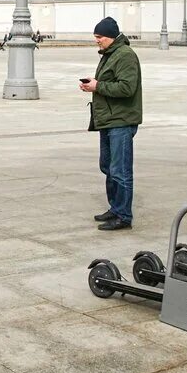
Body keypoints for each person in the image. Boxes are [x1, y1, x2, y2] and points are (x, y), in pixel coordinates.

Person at [81, 16, 141, 231]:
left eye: (99, 37)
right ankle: (115, 208)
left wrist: (98, 87)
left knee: (120, 169)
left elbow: (127, 88)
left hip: (121, 120)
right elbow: (110, 83)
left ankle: (123, 215)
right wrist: (95, 85)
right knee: (107, 166)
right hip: (108, 119)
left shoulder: (125, 55)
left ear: (110, 37)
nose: (96, 40)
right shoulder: (110, 54)